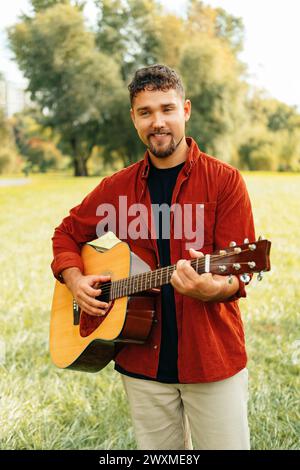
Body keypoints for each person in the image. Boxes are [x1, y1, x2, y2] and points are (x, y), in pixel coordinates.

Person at [51, 64, 255, 450]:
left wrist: (211, 288)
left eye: (167, 109)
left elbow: (236, 276)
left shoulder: (225, 181)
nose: (157, 122)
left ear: (186, 110)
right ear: (133, 118)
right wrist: (75, 279)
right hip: (141, 362)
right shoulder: (118, 186)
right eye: (145, 112)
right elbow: (66, 234)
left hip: (210, 360)